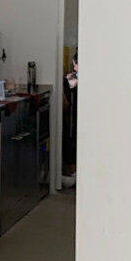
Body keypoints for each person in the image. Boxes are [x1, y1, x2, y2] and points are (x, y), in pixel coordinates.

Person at [61, 49, 78, 187]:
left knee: (69, 140)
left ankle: (75, 174)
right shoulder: (71, 78)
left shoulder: (71, 79)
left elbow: (66, 104)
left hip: (74, 119)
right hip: (72, 119)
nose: (74, 68)